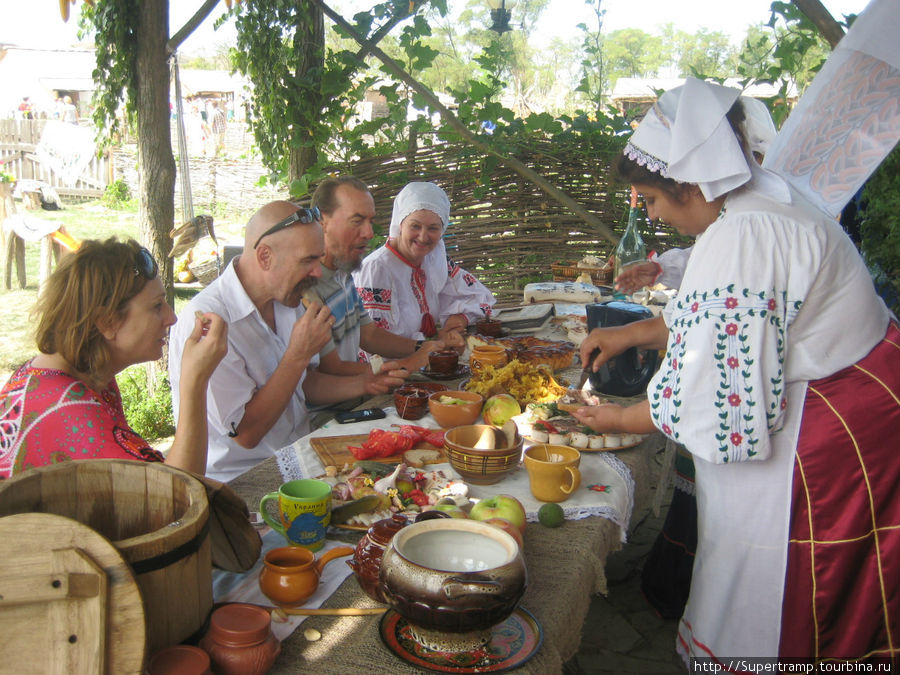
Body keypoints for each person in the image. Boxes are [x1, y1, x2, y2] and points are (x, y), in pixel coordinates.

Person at [573, 78, 899, 662]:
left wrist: (621, 415)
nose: (653, 215)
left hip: (826, 429)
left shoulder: (746, 234)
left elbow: (713, 383)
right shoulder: (764, 199)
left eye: (651, 201)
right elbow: (725, 318)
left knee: (772, 575)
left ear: (691, 183)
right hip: (857, 390)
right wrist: (631, 332)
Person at [168, 201, 406, 482]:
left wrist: (365, 383)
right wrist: (297, 354)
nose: (318, 272)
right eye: (308, 261)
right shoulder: (210, 323)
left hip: (300, 454)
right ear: (265, 256)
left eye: (319, 259)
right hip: (244, 479)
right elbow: (246, 434)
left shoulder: (288, 300)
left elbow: (304, 383)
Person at [0, 238, 228, 478]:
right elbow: (176, 499)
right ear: (108, 322)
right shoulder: (67, 409)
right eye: (157, 306)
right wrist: (194, 383)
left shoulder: (75, 376)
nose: (172, 318)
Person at [614, 96, 776, 295]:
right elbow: (706, 260)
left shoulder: (755, 231)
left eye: (652, 199)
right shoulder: (727, 224)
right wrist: (662, 269)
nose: (652, 215)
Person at [311, 176, 462, 377]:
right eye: (357, 220)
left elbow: (369, 335)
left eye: (370, 221)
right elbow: (325, 373)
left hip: (359, 395)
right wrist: (407, 364)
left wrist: (425, 348)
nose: (369, 233)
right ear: (322, 221)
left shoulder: (342, 274)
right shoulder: (306, 287)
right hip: (339, 405)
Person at [354, 182, 495, 343]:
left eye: (433, 228)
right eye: (415, 226)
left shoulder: (433, 258)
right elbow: (374, 341)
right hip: (388, 366)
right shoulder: (376, 269)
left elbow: (476, 295)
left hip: (421, 359)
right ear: (401, 224)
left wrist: (456, 322)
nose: (423, 237)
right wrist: (432, 345)